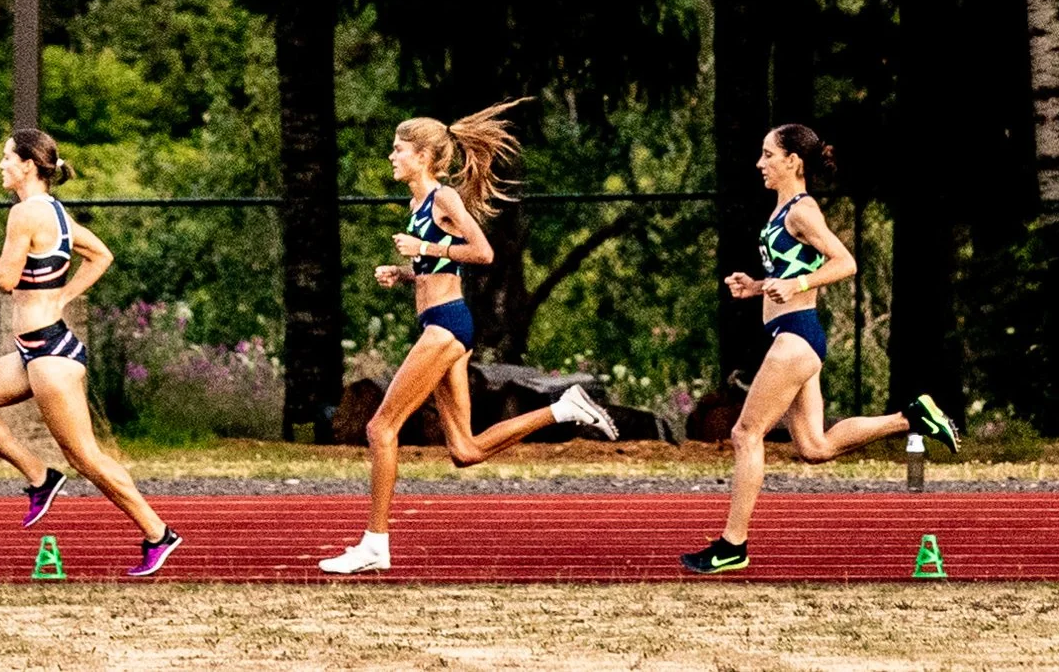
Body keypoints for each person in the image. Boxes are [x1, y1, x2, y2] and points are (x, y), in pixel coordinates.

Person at [319, 101, 620, 577]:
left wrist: (425, 247)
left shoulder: (443, 199)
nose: (391, 157)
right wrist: (403, 273)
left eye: (399, 150)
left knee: (380, 429)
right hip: (440, 322)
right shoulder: (417, 203)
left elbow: (482, 251)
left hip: (447, 325)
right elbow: (438, 269)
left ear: (424, 156)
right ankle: (564, 408)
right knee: (465, 450)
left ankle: (375, 543)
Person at [680, 120, 959, 576]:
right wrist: (754, 287)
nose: (760, 163)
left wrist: (799, 285)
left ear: (793, 161)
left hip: (797, 338)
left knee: (745, 434)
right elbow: (792, 271)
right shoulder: (783, 210)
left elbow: (845, 262)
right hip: (794, 335)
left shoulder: (802, 211)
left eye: (768, 155)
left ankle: (733, 545)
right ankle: (911, 417)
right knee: (814, 446)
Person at [0, 126, 184, 580]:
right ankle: (40, 476)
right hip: (33, 350)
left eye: (6, 158)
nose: (0, 165)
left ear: (28, 166)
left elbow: (4, 279)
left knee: (86, 457)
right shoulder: (54, 212)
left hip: (51, 356)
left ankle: (158, 533)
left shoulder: (26, 214)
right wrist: (64, 296)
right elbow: (101, 255)